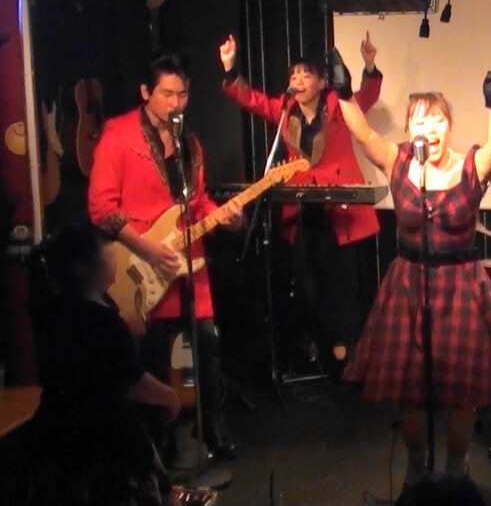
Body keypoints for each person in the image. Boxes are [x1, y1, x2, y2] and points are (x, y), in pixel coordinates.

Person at [338, 58, 491, 484]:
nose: (430, 127)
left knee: (460, 388)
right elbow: (364, 134)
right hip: (410, 283)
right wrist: (344, 94)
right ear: (410, 129)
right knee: (411, 388)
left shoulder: (470, 165)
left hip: (460, 286)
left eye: (438, 119)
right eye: (421, 121)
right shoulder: (398, 160)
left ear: (450, 125)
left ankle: (457, 466)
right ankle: (415, 467)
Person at [88, 55, 244, 459]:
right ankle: (159, 440)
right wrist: (147, 249)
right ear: (146, 92)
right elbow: (101, 208)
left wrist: (226, 218)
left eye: (183, 94)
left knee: (208, 346)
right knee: (153, 356)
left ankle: (212, 429)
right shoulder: (119, 134)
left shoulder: (189, 142)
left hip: (188, 260)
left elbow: (199, 202)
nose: (177, 103)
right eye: (167, 94)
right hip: (142, 263)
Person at [219, 32, 383, 371]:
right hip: (302, 208)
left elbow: (366, 96)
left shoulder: (338, 104)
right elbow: (250, 99)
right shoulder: (285, 110)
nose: (298, 80)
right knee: (307, 285)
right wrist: (231, 68)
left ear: (322, 82)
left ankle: (344, 354)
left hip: (338, 210)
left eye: (306, 74)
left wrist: (369, 65)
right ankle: (316, 351)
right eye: (294, 74)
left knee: (340, 286)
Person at [28, 223, 180, 506]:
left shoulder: (53, 314)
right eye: (105, 246)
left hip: (55, 428)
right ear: (84, 267)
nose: (113, 251)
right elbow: (132, 383)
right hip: (106, 433)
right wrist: (170, 397)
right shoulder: (103, 321)